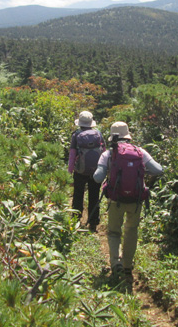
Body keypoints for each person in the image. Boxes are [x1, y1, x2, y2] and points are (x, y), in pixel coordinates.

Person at [93, 121, 163, 278]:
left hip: (116, 200)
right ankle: (127, 265)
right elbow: (159, 170)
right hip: (136, 200)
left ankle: (115, 263)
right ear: (128, 135)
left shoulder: (108, 154)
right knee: (131, 231)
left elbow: (97, 178)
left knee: (113, 232)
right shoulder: (140, 152)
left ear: (112, 137)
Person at [68, 111, 106, 232]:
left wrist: (70, 172)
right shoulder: (98, 134)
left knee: (78, 194)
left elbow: (72, 155)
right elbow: (104, 151)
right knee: (94, 195)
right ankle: (93, 222)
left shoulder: (76, 135)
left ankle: (76, 220)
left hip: (80, 170)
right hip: (95, 170)